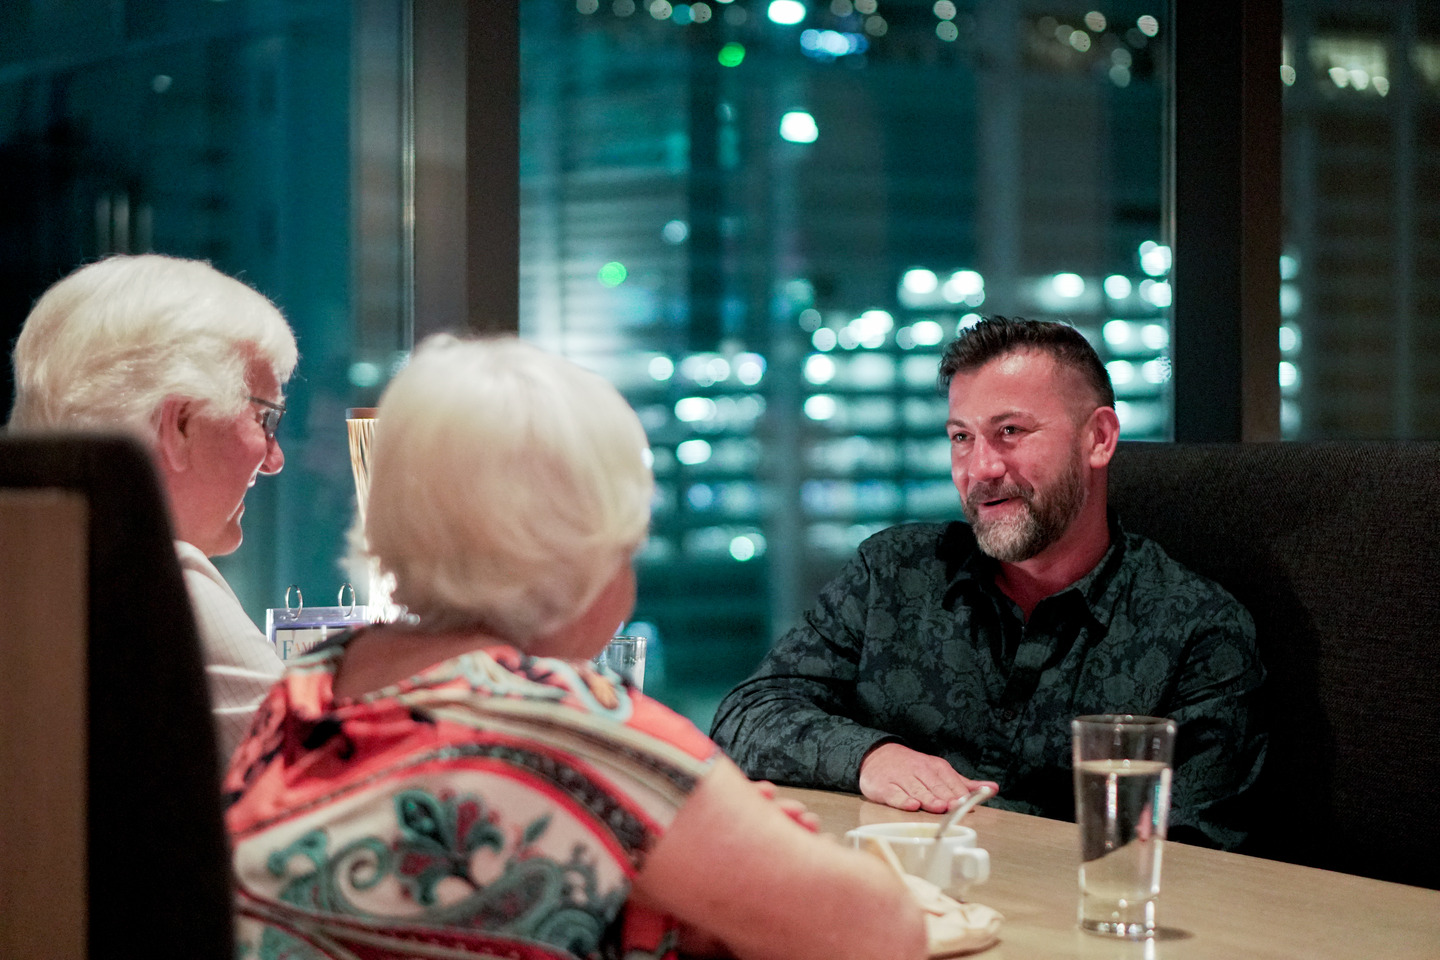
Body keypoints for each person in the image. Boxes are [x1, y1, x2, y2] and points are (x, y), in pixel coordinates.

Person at [222, 335, 926, 960]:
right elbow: (882, 933)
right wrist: (730, 843)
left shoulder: (313, 681)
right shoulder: (566, 722)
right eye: (628, 546)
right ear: (581, 553)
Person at [710, 316, 1266, 851]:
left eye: (1010, 432)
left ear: (1098, 438)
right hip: (890, 895)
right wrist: (871, 758)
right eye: (961, 437)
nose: (979, 469)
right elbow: (747, 715)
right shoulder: (893, 573)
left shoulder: (1196, 631)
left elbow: (1197, 854)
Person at [9, 253, 296, 762]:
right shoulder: (156, 584)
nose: (275, 460)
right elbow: (336, 769)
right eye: (266, 420)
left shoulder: (34, 571)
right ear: (178, 424)